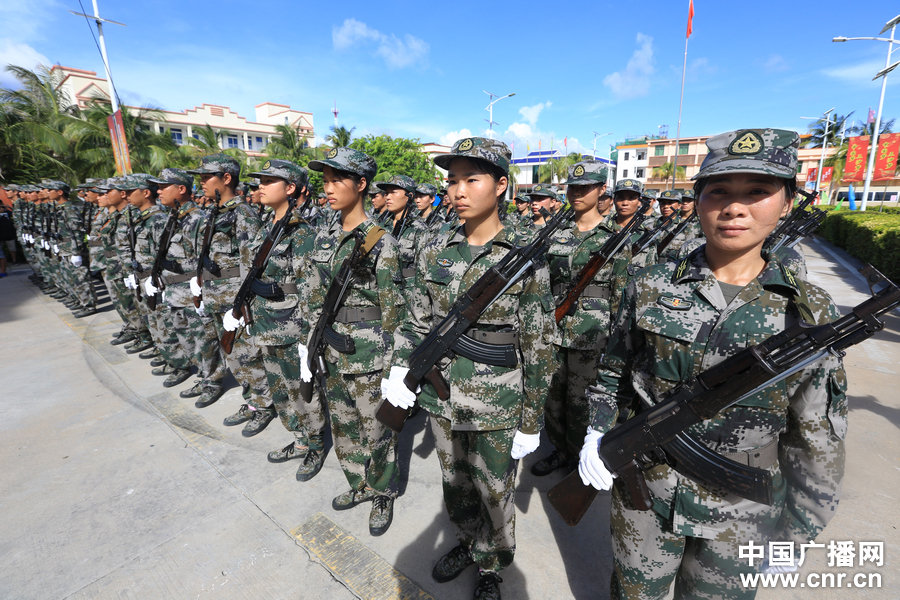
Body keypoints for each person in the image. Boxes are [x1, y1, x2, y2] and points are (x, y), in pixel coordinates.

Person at [579, 129, 848, 599]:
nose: (735, 208)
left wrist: (800, 531)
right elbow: (612, 371)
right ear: (699, 199)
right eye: (719, 191)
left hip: (744, 508)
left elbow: (817, 434)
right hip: (646, 488)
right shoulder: (651, 283)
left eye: (758, 192)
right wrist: (597, 431)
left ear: (787, 203)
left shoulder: (809, 310)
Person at [385, 137, 556, 599]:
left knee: (494, 492)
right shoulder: (435, 247)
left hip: (498, 401)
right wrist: (402, 367)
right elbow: (413, 316)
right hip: (441, 396)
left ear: (501, 185)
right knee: (455, 484)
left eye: (471, 180)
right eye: (452, 180)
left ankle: (491, 566)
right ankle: (466, 541)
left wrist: (531, 418)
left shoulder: (524, 258)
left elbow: (540, 345)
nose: (458, 191)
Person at [301, 147, 403, 536]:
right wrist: (306, 347)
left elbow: (395, 312)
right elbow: (313, 296)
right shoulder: (323, 237)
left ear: (361, 185)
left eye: (336, 180)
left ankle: (382, 490)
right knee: (343, 427)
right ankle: (357, 483)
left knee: (375, 430)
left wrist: (396, 369)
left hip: (370, 354)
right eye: (324, 181)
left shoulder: (381, 241)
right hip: (328, 347)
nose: (327, 189)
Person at [533, 160, 629, 477]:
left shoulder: (614, 237)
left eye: (585, 187)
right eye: (573, 187)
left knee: (581, 401)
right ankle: (560, 451)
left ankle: (580, 458)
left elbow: (620, 294)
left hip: (593, 333)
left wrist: (615, 343)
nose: (576, 193)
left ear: (602, 190)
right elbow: (542, 282)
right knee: (552, 398)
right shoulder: (556, 233)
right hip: (554, 327)